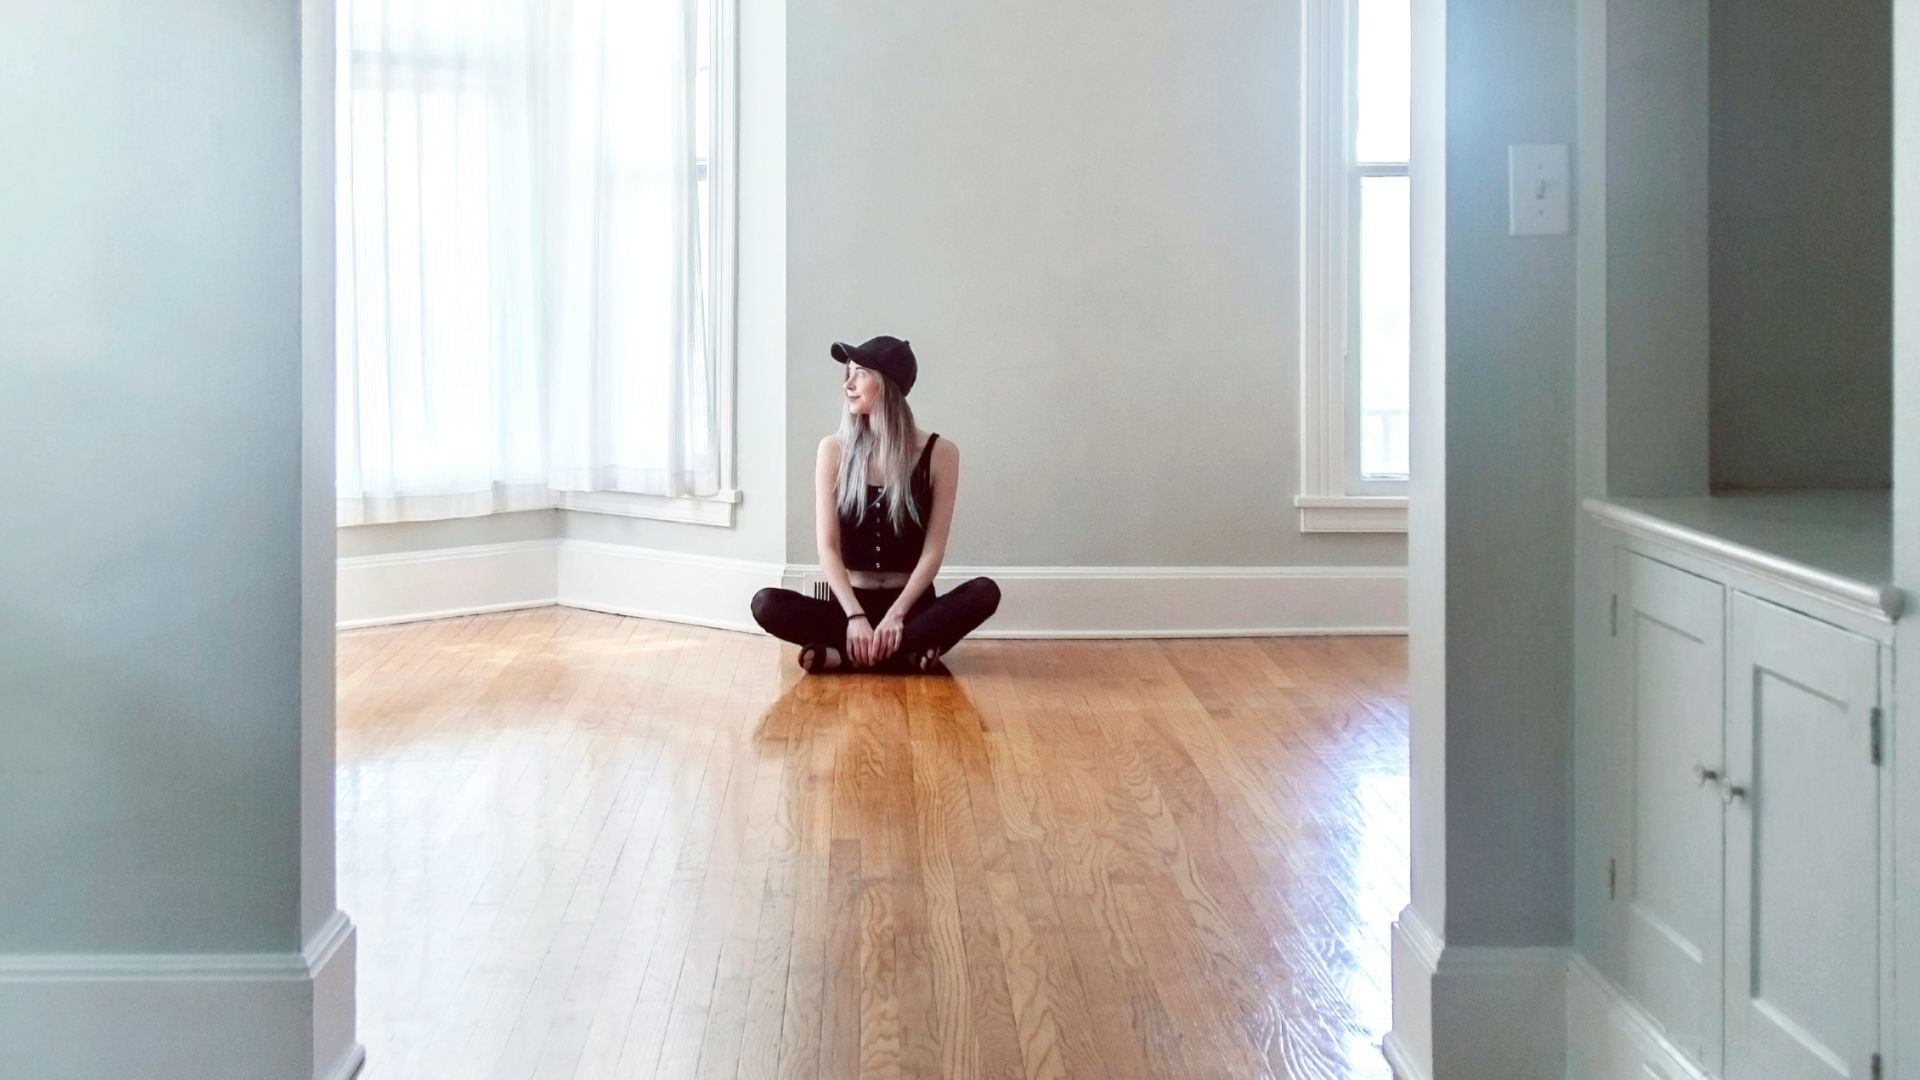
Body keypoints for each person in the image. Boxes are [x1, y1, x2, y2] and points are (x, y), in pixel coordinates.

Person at [750, 335, 1000, 672]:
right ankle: (905, 654)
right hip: (849, 604)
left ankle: (848, 655)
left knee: (985, 592)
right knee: (766, 603)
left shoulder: (941, 454)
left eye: (860, 373)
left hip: (912, 607)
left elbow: (933, 552)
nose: (848, 384)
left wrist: (897, 615)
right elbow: (828, 549)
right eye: (847, 374)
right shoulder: (833, 450)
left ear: (888, 384)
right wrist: (855, 616)